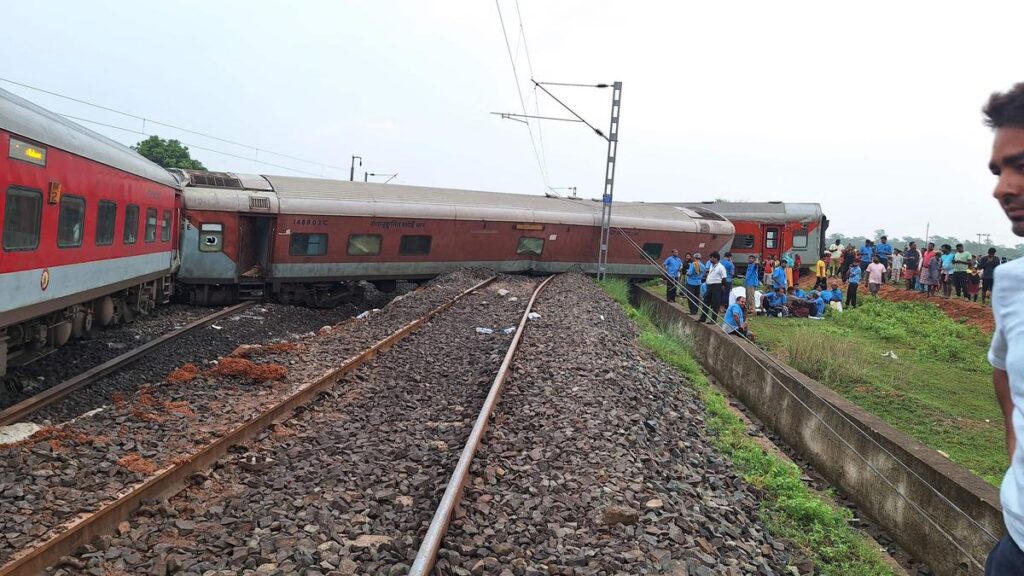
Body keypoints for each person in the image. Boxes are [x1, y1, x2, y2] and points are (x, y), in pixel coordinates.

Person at [982, 82, 1024, 573]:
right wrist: (1016, 448)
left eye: (1023, 166)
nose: (1001, 188)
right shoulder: (1011, 283)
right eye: (999, 170)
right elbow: (1002, 368)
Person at [699, 252, 728, 324]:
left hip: (716, 286)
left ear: (715, 258)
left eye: (711, 258)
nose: (710, 259)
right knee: (706, 302)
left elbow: (724, 278)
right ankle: (703, 318)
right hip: (709, 286)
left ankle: (713, 320)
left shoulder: (721, 267)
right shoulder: (711, 265)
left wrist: (724, 286)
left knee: (715, 304)